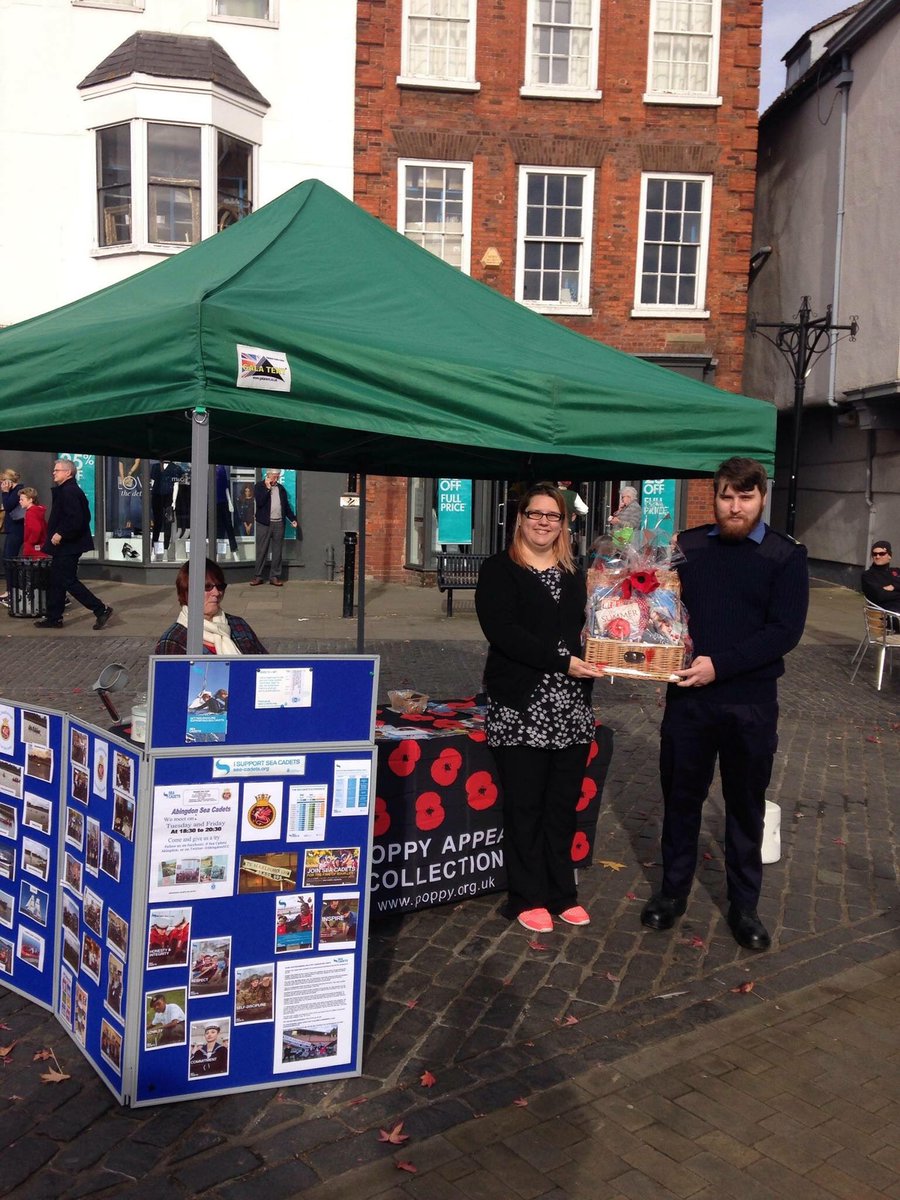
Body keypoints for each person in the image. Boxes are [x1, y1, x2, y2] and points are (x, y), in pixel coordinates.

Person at [640, 457, 808, 953]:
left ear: (762, 498)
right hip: (689, 700)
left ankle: (744, 906)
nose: (735, 507)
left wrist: (721, 665)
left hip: (750, 703)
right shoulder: (689, 547)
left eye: (745, 497)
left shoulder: (785, 555)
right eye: (726, 496)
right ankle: (672, 892)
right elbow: (661, 607)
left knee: (745, 806)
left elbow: (784, 631)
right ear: (714, 497)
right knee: (681, 799)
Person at [475, 482, 603, 934]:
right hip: (521, 706)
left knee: (562, 805)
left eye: (553, 515)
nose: (544, 522)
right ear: (521, 518)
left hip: (570, 707)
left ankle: (561, 892)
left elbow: (591, 628)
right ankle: (527, 896)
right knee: (526, 806)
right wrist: (562, 661)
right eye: (536, 513)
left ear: (564, 523)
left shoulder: (576, 573)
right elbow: (503, 632)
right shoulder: (499, 569)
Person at [35, 460, 113, 631]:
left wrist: (61, 533)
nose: (53, 473)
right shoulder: (67, 490)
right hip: (65, 545)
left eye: (57, 470)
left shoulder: (70, 491)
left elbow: (77, 519)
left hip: (68, 545)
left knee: (67, 580)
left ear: (68, 473)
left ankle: (100, 609)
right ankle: (54, 618)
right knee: (57, 581)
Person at [155, 558, 267, 654]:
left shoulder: (239, 625)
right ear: (186, 592)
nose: (217, 593)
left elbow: (265, 666)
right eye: (207, 587)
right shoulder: (173, 641)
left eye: (220, 586)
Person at [250, 470, 298, 586]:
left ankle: (274, 576)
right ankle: (258, 576)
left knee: (277, 551)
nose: (276, 479)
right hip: (264, 523)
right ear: (268, 475)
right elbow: (260, 502)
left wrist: (293, 519)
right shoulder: (259, 486)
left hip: (279, 523)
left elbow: (285, 506)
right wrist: (267, 489)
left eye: (277, 477)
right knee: (262, 550)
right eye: (274, 477)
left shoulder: (281, 488)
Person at [1, 468, 25, 605]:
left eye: (3, 482)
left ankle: (12, 591)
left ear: (8, 481)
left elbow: (8, 506)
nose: (1, 485)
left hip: (17, 530)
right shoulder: (14, 491)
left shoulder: (18, 491)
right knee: (7, 559)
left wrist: (5, 492)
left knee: (10, 559)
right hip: (12, 530)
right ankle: (10, 590)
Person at [861, 540, 900, 616]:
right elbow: (880, 595)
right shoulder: (868, 575)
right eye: (874, 554)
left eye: (882, 554)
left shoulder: (896, 571)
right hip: (887, 614)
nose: (877, 556)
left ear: (889, 556)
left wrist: (894, 586)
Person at [215, 465, 239, 560]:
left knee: (229, 526)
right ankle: (217, 553)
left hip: (223, 501)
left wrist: (229, 501)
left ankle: (234, 551)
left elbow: (226, 487)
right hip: (212, 503)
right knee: (217, 529)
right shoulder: (207, 468)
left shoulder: (221, 469)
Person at [19, 488, 49, 558]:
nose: (19, 501)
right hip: (41, 550)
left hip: (32, 551)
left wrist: (30, 543)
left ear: (30, 500)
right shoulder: (38, 511)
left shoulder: (30, 513)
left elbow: (36, 529)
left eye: (22, 499)